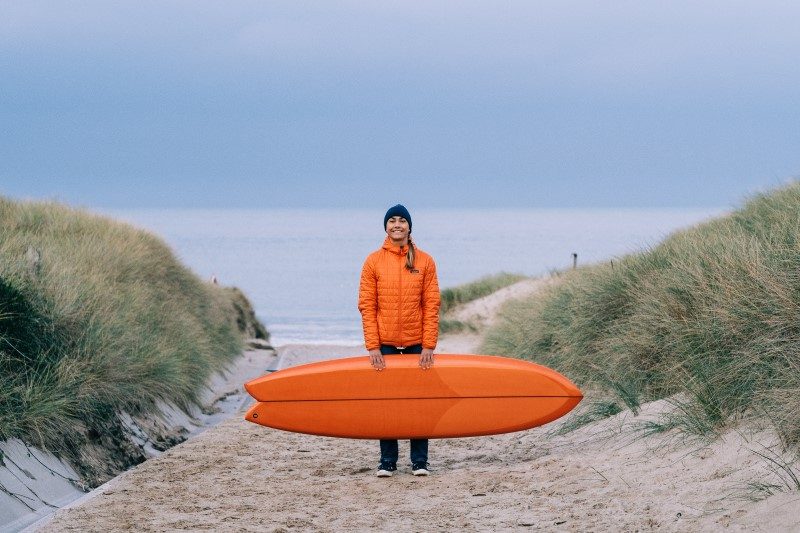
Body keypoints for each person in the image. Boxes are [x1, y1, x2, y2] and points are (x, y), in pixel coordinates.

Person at [358, 204, 441, 478]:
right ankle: (387, 461)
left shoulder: (425, 261)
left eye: (402, 221)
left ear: (409, 227)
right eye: (392, 221)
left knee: (420, 401)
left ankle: (419, 461)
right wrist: (372, 346)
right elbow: (367, 306)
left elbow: (431, 305)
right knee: (387, 402)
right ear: (385, 227)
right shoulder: (373, 261)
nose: (397, 225)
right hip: (386, 344)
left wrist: (429, 344)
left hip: (418, 343)